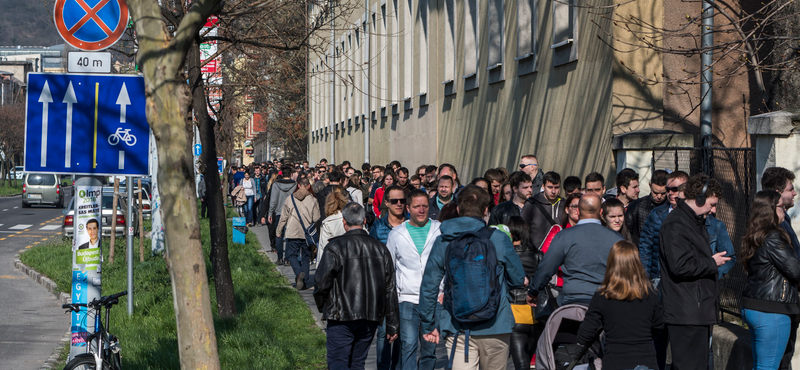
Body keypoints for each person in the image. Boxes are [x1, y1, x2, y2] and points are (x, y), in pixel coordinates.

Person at [419, 185, 526, 370]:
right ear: (486, 210)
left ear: (459, 209)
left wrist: (429, 324)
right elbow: (518, 279)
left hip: (457, 326)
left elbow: (429, 285)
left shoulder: (444, 240)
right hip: (496, 325)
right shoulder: (499, 238)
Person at [314, 202, 399, 370]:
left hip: (340, 315)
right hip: (370, 315)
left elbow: (321, 281)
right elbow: (389, 288)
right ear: (364, 221)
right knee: (357, 362)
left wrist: (322, 304)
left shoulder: (335, 247)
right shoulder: (381, 249)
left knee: (338, 361)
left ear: (344, 222)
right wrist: (392, 323)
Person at [659, 174, 730, 370]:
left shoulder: (692, 221)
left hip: (695, 309)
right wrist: (711, 262)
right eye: (712, 204)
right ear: (699, 198)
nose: (714, 210)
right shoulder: (676, 224)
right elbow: (680, 265)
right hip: (686, 311)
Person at [576, 240, 664, 370]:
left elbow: (584, 336)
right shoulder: (650, 293)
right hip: (646, 361)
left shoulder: (603, 296)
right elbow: (659, 326)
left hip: (614, 362)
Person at [527, 193, 624, 305]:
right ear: (601, 212)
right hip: (605, 301)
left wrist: (533, 292)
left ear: (578, 211)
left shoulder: (564, 236)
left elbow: (547, 267)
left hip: (573, 302)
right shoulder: (616, 239)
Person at [740, 190, 800, 370]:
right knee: (767, 367)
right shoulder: (773, 236)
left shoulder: (755, 234)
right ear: (770, 210)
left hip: (756, 306)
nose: (784, 211)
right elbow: (795, 270)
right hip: (772, 310)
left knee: (761, 365)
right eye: (781, 207)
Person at [385, 190, 443, 370]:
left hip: (433, 300)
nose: (421, 210)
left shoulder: (439, 229)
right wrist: (393, 299)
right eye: (417, 206)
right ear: (408, 208)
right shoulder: (396, 234)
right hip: (407, 300)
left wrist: (443, 291)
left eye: (425, 206)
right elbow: (390, 270)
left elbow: (447, 262)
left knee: (429, 348)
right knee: (408, 345)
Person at [759, 167, 799, 370]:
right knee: (776, 362)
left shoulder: (784, 221)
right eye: (790, 189)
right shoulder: (774, 229)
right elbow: (793, 267)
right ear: (777, 192)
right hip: (777, 304)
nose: (794, 193)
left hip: (785, 301)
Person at [370, 185, 408, 370]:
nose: (399, 204)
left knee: (403, 335)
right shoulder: (378, 227)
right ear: (387, 203)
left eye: (402, 200)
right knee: (384, 332)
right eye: (394, 201)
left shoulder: (412, 225)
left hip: (407, 288)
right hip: (384, 289)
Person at [505, 216, 544, 370]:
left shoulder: (506, 256)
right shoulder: (538, 255)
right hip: (536, 315)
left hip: (515, 314)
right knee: (528, 360)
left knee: (521, 364)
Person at [637, 170, 689, 280]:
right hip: (659, 277)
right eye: (668, 189)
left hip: (686, 279)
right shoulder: (656, 214)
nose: (670, 193)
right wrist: (644, 277)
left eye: (675, 189)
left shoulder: (696, 215)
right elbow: (645, 246)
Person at [276, 177, 320, 290]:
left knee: (291, 255)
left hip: (292, 231)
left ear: (299, 185)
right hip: (307, 232)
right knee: (306, 257)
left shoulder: (290, 198)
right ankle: (304, 281)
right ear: (309, 186)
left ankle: (298, 273)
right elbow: (316, 217)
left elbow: (284, 217)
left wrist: (279, 230)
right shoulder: (313, 200)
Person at [520, 171, 566, 248]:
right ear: (543, 186)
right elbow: (522, 228)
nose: (553, 191)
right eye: (550, 187)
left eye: (556, 187)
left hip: (558, 252)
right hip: (535, 253)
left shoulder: (564, 204)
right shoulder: (532, 204)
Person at [626, 169, 669, 246]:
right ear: (650, 185)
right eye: (655, 192)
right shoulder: (636, 206)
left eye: (663, 193)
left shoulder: (672, 207)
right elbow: (627, 232)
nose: (659, 196)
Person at [269, 167, 297, 266]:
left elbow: (273, 200)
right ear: (290, 175)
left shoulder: (276, 185)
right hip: (292, 212)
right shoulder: (295, 185)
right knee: (289, 236)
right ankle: (288, 259)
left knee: (279, 235)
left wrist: (270, 212)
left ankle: (280, 257)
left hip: (279, 212)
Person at [317, 187, 350, 267]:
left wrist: (320, 269)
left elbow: (323, 247)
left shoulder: (328, 223)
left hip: (334, 262)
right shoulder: (350, 218)